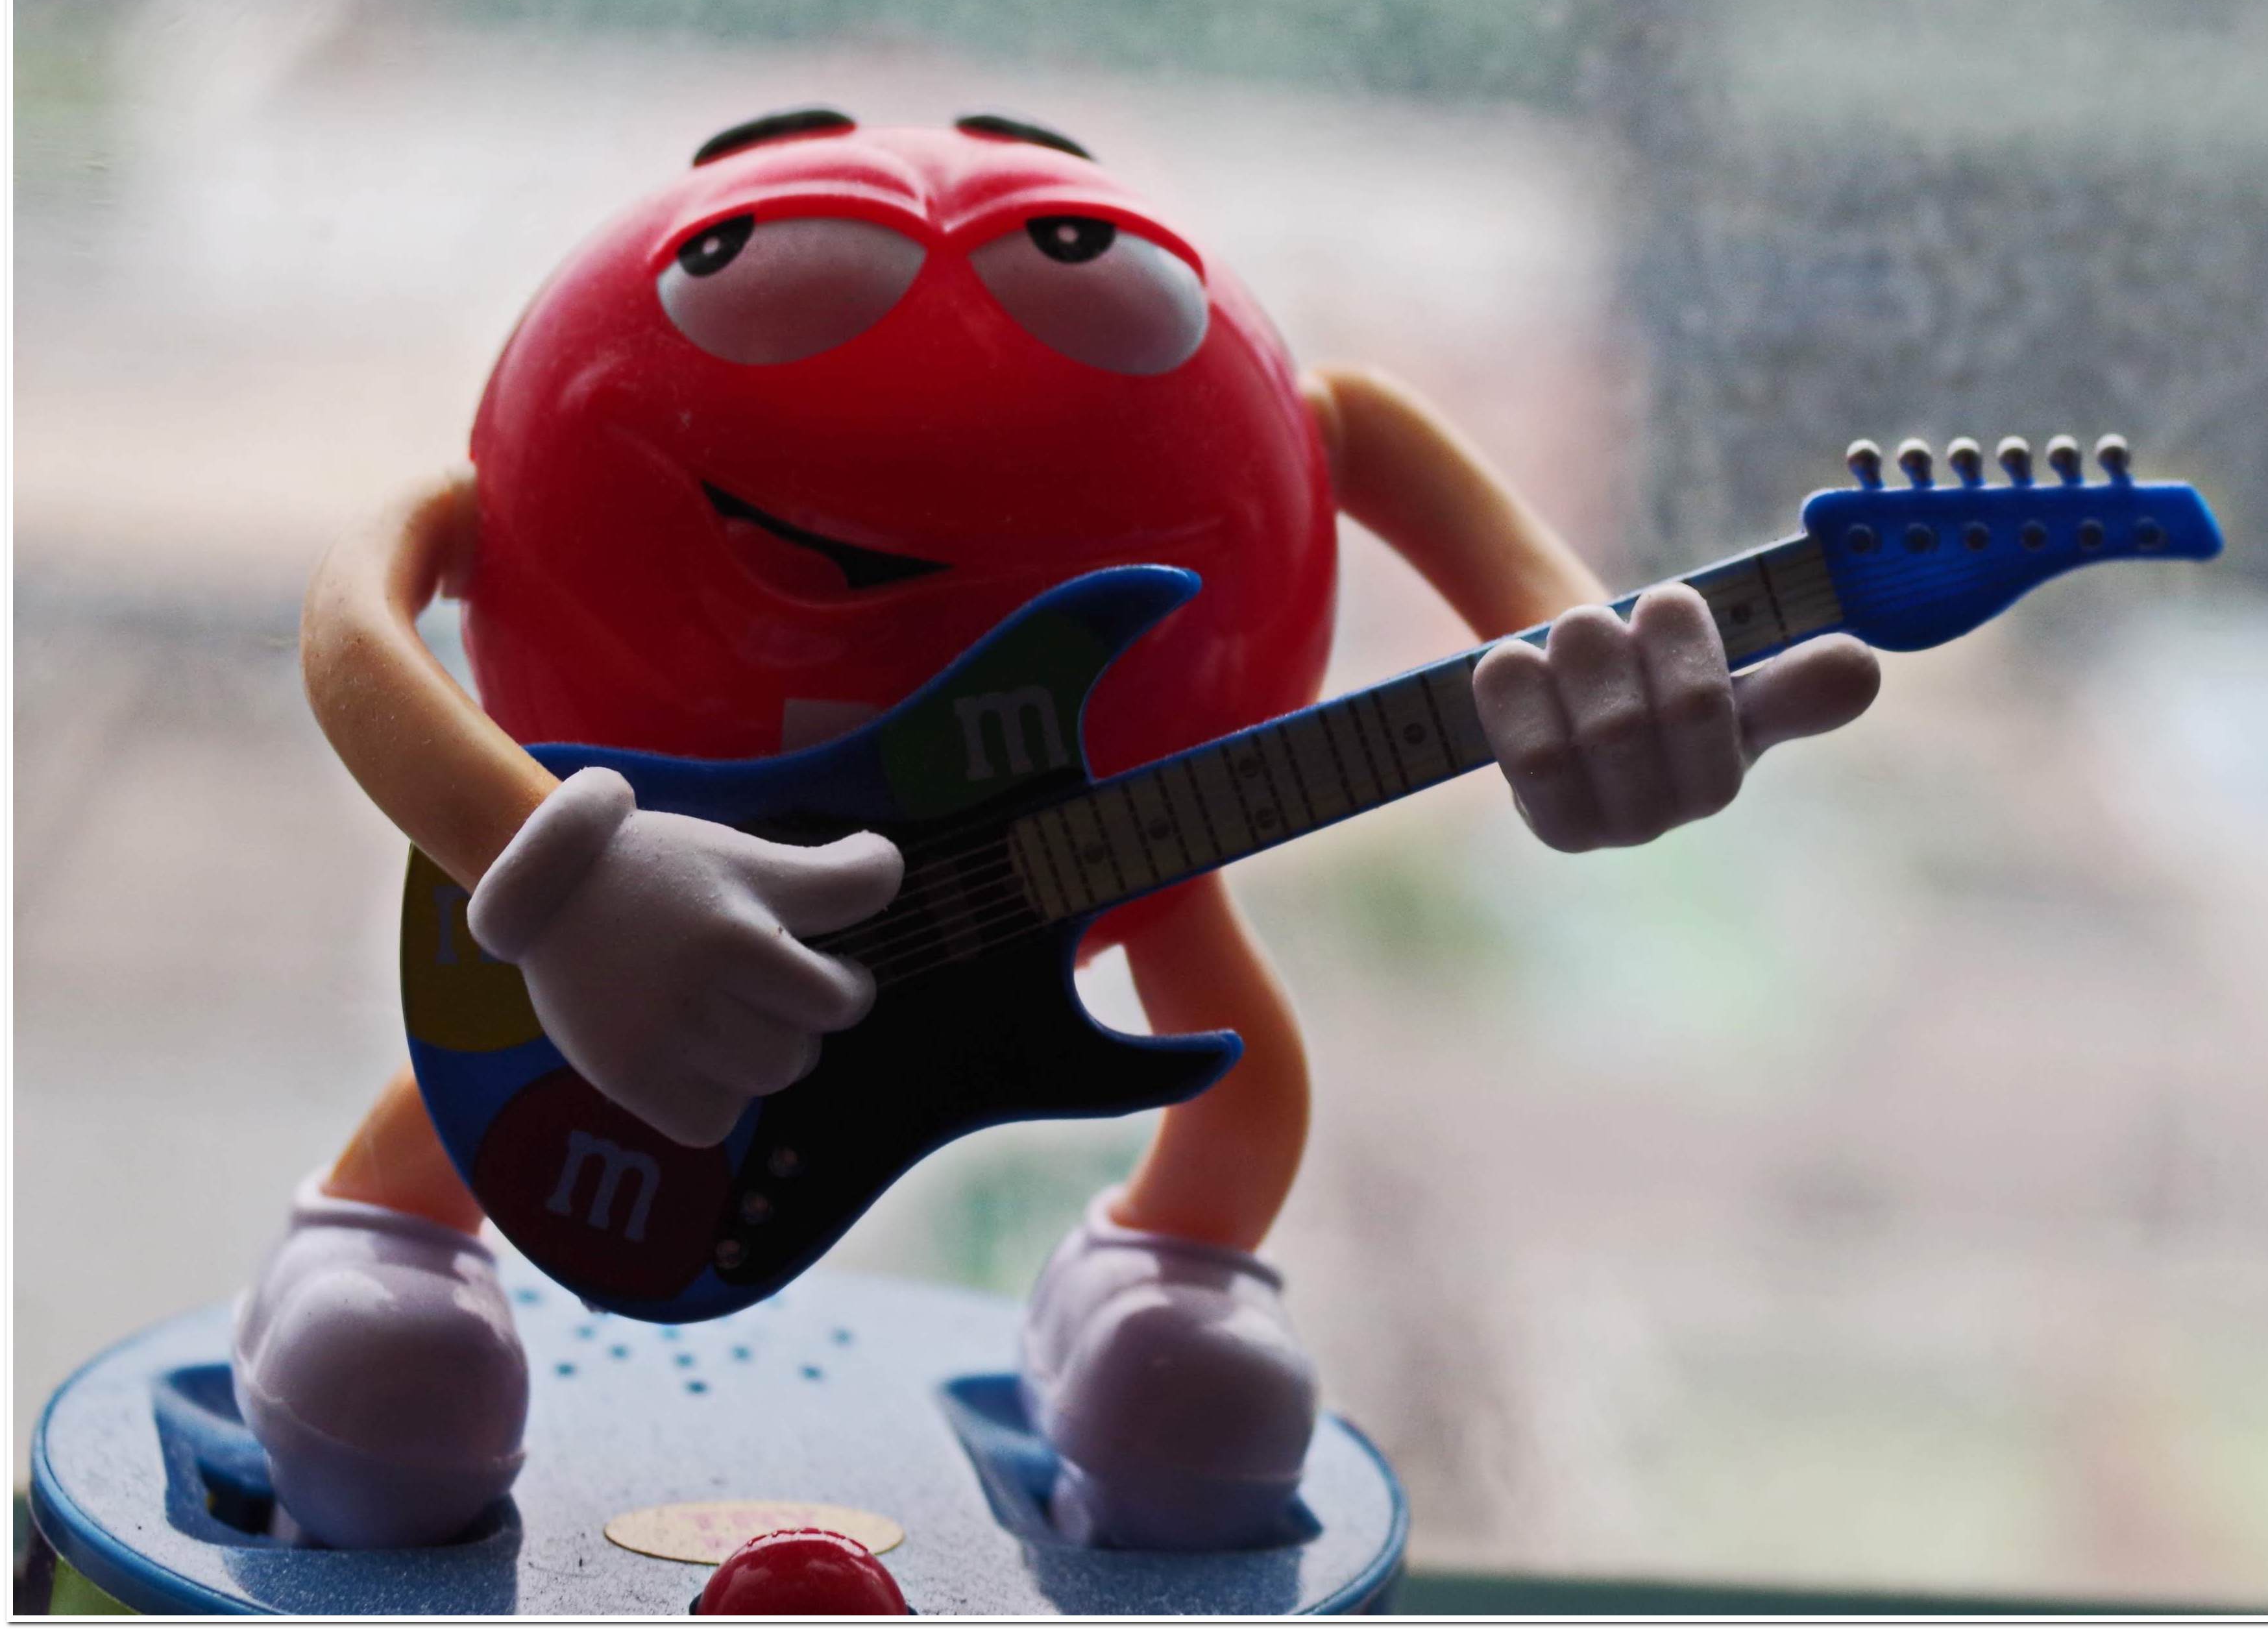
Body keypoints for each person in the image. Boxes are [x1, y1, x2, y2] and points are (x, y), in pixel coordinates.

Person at [236, 110, 1881, 1549]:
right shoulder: (572, 411)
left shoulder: (1292, 416)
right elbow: (356, 616)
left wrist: (1604, 690)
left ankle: (1169, 1266)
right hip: (625, 877)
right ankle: (391, 1215)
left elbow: (1377, 451)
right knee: (393, 1368)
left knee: (1214, 1260)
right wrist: (564, 870)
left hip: (1121, 861)